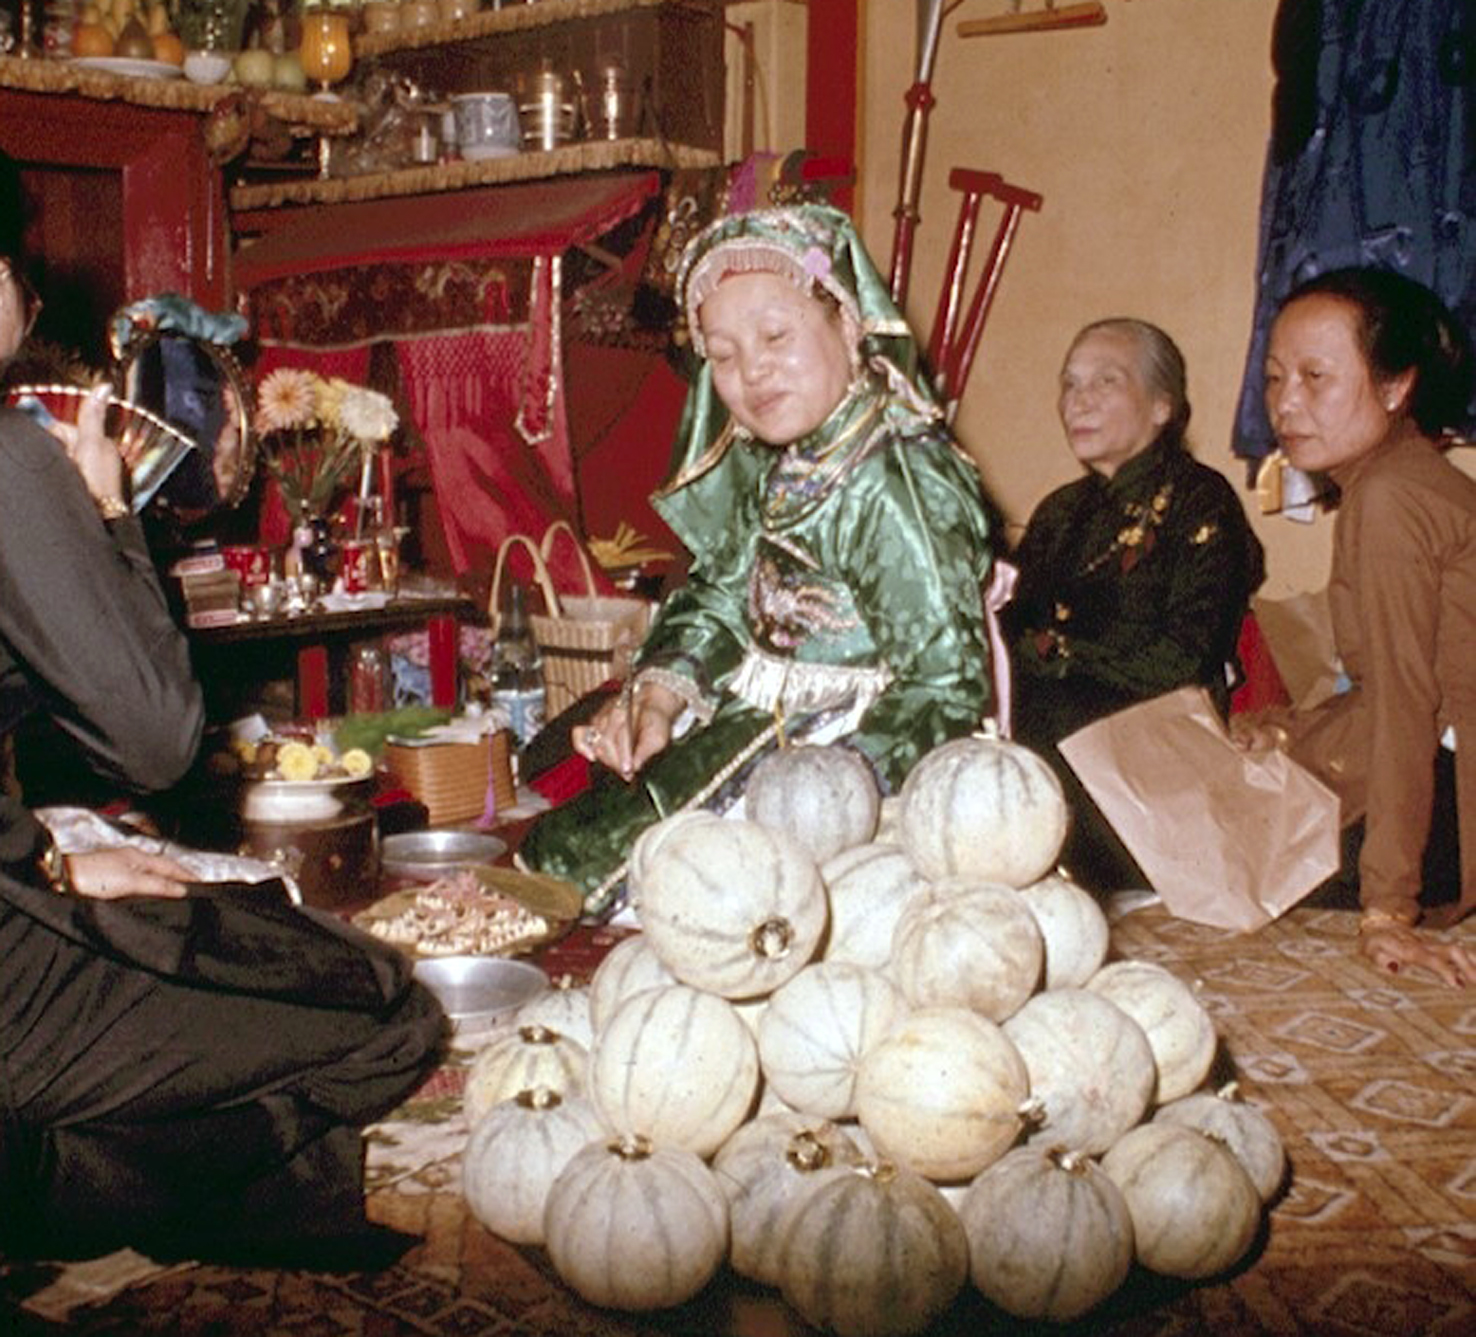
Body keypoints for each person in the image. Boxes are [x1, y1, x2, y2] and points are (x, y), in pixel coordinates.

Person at [0, 152, 445, 1266]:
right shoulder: (10, 454)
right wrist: (109, 514)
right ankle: (48, 1185)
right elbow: (155, 742)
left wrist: (50, 859)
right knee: (387, 1006)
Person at [519, 205, 995, 914]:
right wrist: (658, 698)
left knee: (616, 874)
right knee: (567, 833)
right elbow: (721, 594)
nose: (752, 371)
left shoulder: (892, 483)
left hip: (848, 745)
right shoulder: (788, 463)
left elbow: (945, 681)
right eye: (722, 354)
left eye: (776, 335)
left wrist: (838, 784)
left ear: (849, 324)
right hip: (763, 710)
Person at [1234, 267, 1476, 988]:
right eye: (1275, 378)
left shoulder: (1392, 495)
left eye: (1315, 377)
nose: (1286, 403)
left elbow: (1406, 705)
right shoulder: (1397, 475)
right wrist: (1287, 731)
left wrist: (1388, 908)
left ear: (1396, 387)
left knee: (1160, 839)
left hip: (1448, 818)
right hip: (1438, 782)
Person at [1005, 318, 1266, 892]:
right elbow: (1009, 632)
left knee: (1046, 713)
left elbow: (1186, 658)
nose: (1079, 401)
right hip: (1049, 739)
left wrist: (1061, 656)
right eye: (1070, 384)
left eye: (1106, 381)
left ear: (1162, 406)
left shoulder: (1200, 501)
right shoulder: (1058, 513)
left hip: (1152, 755)